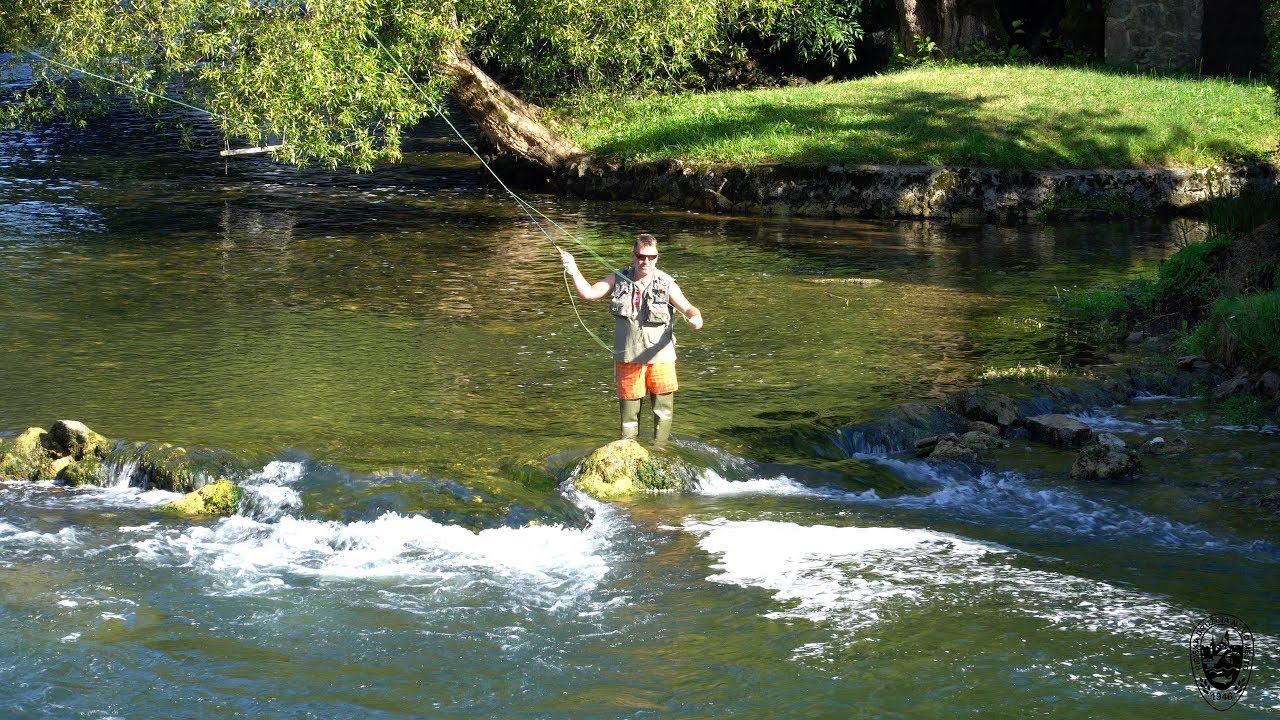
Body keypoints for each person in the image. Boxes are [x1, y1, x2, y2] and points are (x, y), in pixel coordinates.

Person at [559, 234, 703, 450]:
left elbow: (688, 307)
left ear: (657, 257)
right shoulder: (618, 278)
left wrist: (696, 318)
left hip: (661, 357)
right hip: (628, 357)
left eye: (651, 257)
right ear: (633, 255)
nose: (645, 262)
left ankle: (659, 448)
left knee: (663, 410)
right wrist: (573, 269)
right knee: (629, 413)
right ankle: (628, 450)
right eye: (641, 256)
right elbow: (588, 293)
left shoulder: (666, 283)